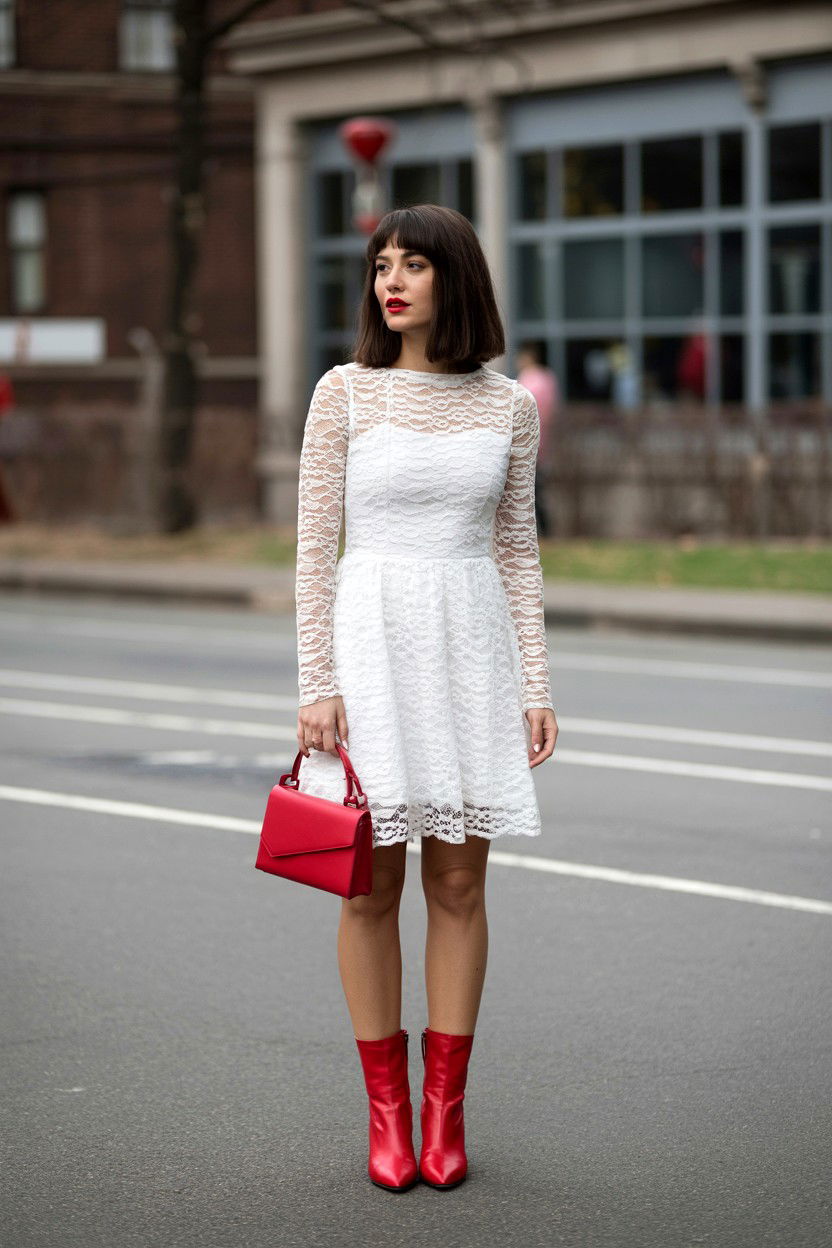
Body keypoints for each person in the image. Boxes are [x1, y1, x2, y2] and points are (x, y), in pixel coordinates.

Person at [294, 204, 559, 1193]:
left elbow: (517, 551)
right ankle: (386, 1115)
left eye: (413, 264)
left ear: (457, 278)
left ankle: (445, 1111)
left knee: (457, 888)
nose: (391, 282)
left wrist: (536, 684)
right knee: (368, 888)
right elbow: (313, 549)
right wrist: (316, 682)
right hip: (369, 652)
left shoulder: (509, 408)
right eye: (380, 266)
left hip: (469, 653)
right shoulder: (344, 394)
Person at [515, 342, 558, 537]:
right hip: (539, 440)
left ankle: (540, 530)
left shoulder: (530, 380)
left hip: (531, 441)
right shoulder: (546, 378)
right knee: (535, 487)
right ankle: (541, 529)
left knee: (532, 488)